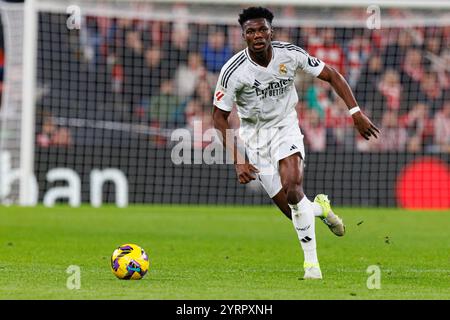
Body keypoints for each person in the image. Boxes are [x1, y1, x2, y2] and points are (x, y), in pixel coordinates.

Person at [212, 7, 380, 280]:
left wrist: (355, 112)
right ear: (243, 36)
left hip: (286, 128)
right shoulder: (233, 71)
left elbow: (332, 75)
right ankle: (321, 209)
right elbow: (219, 118)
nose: (257, 35)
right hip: (255, 139)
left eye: (262, 29)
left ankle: (311, 266)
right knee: (296, 211)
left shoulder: (290, 54)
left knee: (293, 188)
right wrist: (238, 158)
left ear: (271, 31)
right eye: (251, 31)